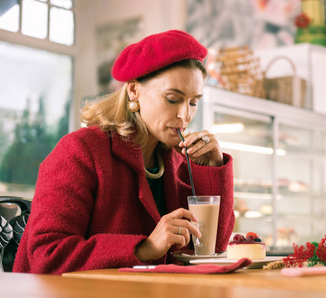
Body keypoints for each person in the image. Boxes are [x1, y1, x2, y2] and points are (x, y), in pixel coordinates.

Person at [13, 30, 235, 275]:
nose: (185, 115)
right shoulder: (80, 151)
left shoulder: (178, 161)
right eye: (173, 99)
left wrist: (213, 169)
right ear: (133, 91)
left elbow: (212, 247)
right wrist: (143, 249)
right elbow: (47, 257)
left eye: (193, 102)